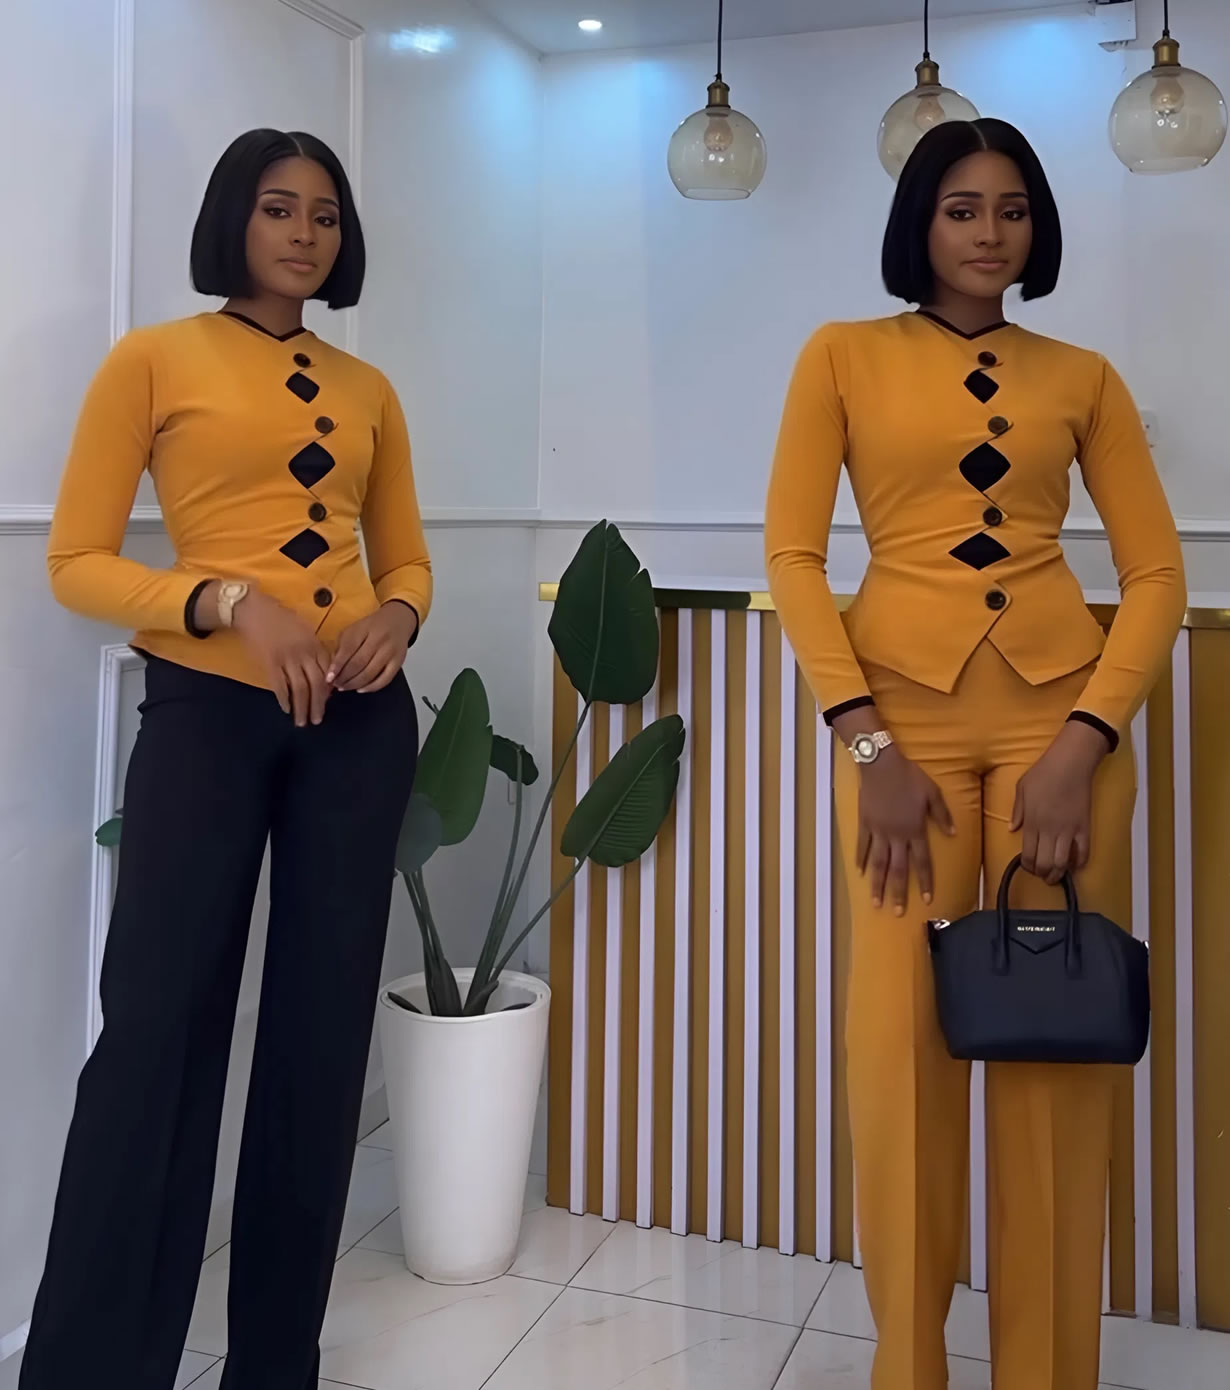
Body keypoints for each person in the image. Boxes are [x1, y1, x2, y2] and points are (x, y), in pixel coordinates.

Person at [765, 119, 1185, 1390]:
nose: (990, 231)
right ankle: (910, 1366)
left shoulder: (1084, 376)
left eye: (1012, 208)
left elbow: (1158, 576)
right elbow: (793, 558)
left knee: (1051, 1058)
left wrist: (1086, 741)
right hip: (901, 738)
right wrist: (866, 740)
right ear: (922, 223)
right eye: (962, 208)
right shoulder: (840, 355)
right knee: (900, 1061)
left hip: (1062, 736)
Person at [22, 129, 431, 1389]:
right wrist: (225, 600)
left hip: (357, 729)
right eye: (278, 208)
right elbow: (76, 562)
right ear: (232, 222)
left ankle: (273, 1364)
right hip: (207, 717)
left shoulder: (369, 388)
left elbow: (407, 558)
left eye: (325, 214)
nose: (304, 233)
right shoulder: (153, 360)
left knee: (318, 1044)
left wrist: (396, 615)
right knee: (155, 1030)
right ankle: (92, 1367)